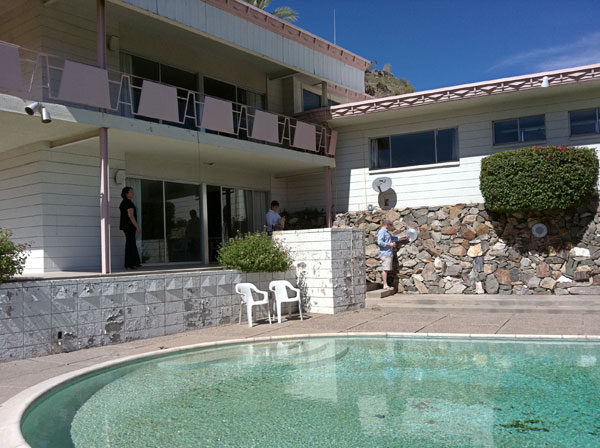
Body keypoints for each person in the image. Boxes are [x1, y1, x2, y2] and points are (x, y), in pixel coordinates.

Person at [378, 219, 408, 290]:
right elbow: (380, 242)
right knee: (385, 269)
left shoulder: (386, 232)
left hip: (388, 253)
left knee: (387, 269)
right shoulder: (382, 232)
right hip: (385, 253)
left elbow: (392, 238)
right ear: (387, 224)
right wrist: (390, 244)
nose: (391, 226)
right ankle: (385, 285)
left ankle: (386, 284)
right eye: (391, 225)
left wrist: (401, 237)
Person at [119, 186, 141, 270]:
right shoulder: (128, 203)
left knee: (130, 243)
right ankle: (130, 264)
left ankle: (132, 263)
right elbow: (131, 216)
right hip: (129, 226)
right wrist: (137, 227)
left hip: (126, 226)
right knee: (130, 244)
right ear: (126, 194)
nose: (133, 193)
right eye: (131, 192)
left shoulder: (124, 202)